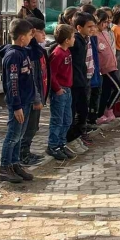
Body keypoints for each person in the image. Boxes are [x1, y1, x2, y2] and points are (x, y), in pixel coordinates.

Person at [0, 18, 38, 183]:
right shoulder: (13, 55)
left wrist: (34, 37)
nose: (31, 38)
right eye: (29, 35)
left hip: (26, 101)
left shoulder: (23, 51)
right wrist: (16, 106)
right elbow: (12, 83)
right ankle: (4, 167)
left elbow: (37, 52)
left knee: (19, 136)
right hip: (18, 104)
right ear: (22, 37)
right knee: (13, 135)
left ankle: (15, 164)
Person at [20, 17, 49, 166]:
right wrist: (37, 98)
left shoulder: (38, 51)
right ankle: (22, 155)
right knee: (28, 127)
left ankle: (27, 152)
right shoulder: (28, 53)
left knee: (34, 126)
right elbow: (31, 79)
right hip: (30, 98)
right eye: (40, 31)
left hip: (38, 96)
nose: (44, 34)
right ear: (31, 32)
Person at [46, 24, 75, 161]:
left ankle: (61, 143)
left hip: (67, 89)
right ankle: (53, 145)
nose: (74, 39)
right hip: (60, 91)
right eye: (73, 37)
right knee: (57, 120)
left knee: (67, 119)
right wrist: (57, 89)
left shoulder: (67, 51)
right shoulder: (57, 54)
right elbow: (51, 74)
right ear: (66, 40)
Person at [67, 12, 96, 147]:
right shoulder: (75, 41)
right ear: (79, 27)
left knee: (83, 110)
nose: (92, 29)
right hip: (74, 82)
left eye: (93, 26)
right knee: (73, 111)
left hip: (82, 80)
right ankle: (72, 138)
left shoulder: (85, 39)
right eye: (89, 26)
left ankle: (80, 134)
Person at [96, 9, 120, 125]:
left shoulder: (106, 33)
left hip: (112, 65)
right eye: (104, 22)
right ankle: (106, 110)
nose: (106, 24)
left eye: (107, 22)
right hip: (105, 68)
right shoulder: (95, 35)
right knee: (118, 88)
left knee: (106, 91)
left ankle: (102, 113)